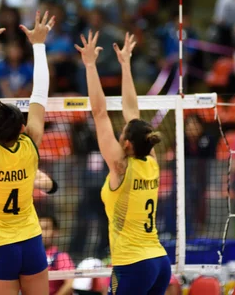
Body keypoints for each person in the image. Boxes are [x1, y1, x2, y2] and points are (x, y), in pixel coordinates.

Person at [75, 31, 171, 295]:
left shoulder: (121, 166)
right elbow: (133, 112)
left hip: (133, 264)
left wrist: (90, 65)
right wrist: (125, 64)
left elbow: (99, 112)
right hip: (159, 262)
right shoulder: (150, 160)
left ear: (126, 144)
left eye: (122, 133)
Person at [0, 7, 57, 295]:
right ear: (21, 128)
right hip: (31, 242)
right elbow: (39, 94)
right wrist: (39, 45)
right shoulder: (30, 144)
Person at [39, 213, 75, 295]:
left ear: (55, 232)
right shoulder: (27, 257)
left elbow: (70, 285)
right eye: (38, 228)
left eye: (45, 228)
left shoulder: (61, 257)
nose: (41, 233)